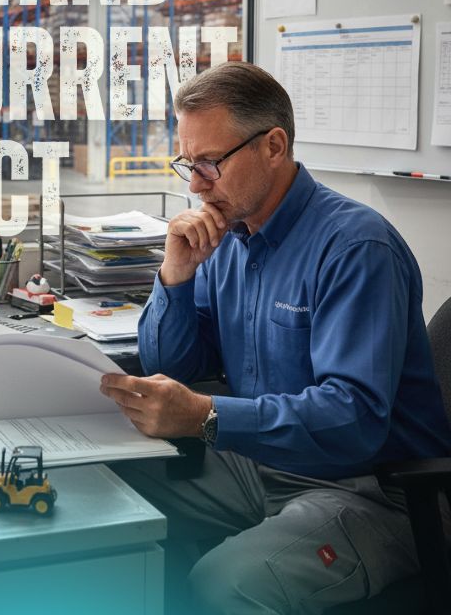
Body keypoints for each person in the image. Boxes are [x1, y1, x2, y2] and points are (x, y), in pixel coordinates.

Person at [100, 61, 451, 614]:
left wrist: (207, 417)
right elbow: (175, 367)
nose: (195, 185)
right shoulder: (229, 237)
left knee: (225, 583)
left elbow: (353, 419)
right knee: (101, 493)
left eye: (210, 164)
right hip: (259, 463)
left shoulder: (356, 247)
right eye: (188, 165)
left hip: (369, 490)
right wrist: (176, 276)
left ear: (273, 145)